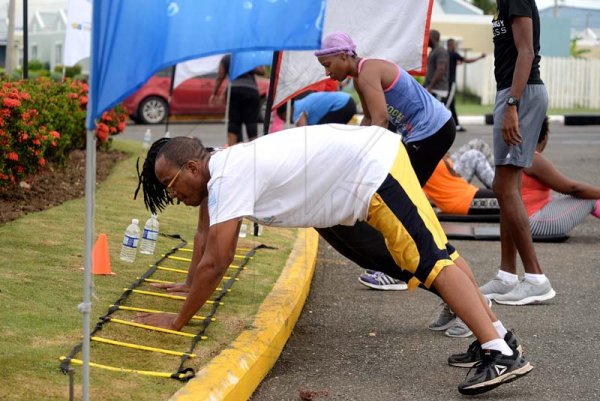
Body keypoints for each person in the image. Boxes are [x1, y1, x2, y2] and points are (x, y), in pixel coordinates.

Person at [135, 126, 532, 395]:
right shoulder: (222, 167)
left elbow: (216, 262)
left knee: (430, 263)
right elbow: (205, 235)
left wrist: (177, 320)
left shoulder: (226, 176)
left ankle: (500, 352)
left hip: (372, 171)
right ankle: (496, 335)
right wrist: (188, 285)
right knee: (440, 256)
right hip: (371, 163)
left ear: (191, 167)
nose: (174, 196)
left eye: (171, 186)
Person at [314, 31, 457, 291]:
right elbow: (369, 122)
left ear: (345, 55)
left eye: (328, 65)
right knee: (404, 200)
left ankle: (410, 266)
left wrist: (366, 161)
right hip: (430, 131)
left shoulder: (368, 71)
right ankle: (415, 260)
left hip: (431, 131)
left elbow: (381, 120)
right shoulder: (360, 78)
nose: (327, 73)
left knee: (400, 200)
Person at [481, 0, 555, 306]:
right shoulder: (503, 2)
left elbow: (526, 51)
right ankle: (507, 275)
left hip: (519, 95)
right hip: (511, 92)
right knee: (507, 186)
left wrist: (512, 104)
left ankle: (536, 279)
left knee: (505, 186)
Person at [210, 54, 265, 146]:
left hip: (234, 90)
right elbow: (262, 71)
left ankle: (232, 152)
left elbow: (220, 76)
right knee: (251, 123)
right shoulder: (250, 57)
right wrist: (249, 64)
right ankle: (254, 153)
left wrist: (214, 94)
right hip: (250, 91)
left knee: (234, 123)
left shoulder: (227, 58)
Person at [446, 39, 486, 132]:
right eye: (455, 44)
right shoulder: (453, 54)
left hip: (444, 82)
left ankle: (457, 125)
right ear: (452, 45)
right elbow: (467, 60)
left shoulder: (445, 54)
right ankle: (441, 124)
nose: (456, 46)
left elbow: (451, 64)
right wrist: (480, 57)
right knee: (447, 104)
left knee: (451, 104)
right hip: (450, 82)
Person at [276, 90, 357, 127]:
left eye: (284, 118)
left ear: (286, 112)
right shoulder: (301, 103)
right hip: (348, 101)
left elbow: (303, 133)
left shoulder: (297, 110)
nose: (287, 121)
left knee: (320, 132)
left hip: (341, 105)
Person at [424, 29, 449, 103]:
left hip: (438, 90)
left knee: (436, 114)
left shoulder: (440, 51)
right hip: (432, 89)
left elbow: (440, 69)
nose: (425, 39)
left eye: (426, 37)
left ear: (431, 37)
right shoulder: (434, 50)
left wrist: (430, 87)